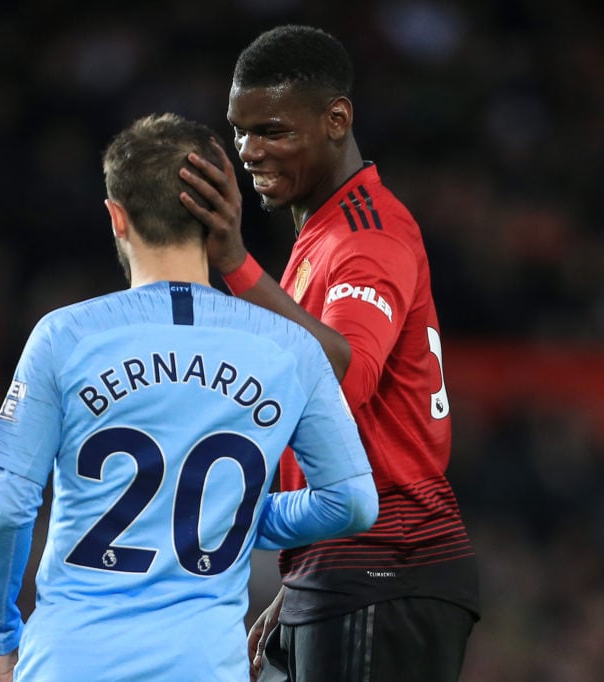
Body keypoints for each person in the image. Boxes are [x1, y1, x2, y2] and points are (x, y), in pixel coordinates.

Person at [0, 112, 379, 681]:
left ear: (117, 217)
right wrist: (234, 513)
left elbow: (10, 507)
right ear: (218, 216)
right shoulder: (290, 349)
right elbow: (353, 502)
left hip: (71, 660)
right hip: (203, 665)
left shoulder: (65, 337)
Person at [179, 24, 480, 682]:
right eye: (239, 130)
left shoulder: (366, 237)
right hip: (345, 568)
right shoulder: (324, 237)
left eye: (272, 131)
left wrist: (232, 261)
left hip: (386, 565)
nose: (248, 151)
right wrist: (303, 575)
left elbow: (345, 375)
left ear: (336, 119)